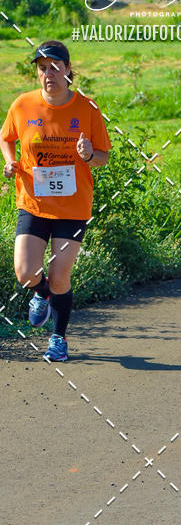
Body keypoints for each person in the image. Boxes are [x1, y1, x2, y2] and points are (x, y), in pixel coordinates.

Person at [0, 40, 111, 360]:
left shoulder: (87, 108)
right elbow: (6, 137)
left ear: (67, 69)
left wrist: (89, 154)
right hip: (33, 202)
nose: (48, 73)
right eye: (42, 68)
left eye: (54, 67)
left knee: (60, 273)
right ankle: (43, 294)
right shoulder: (22, 105)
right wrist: (10, 161)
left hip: (73, 206)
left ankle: (58, 339)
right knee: (25, 272)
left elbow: (102, 157)